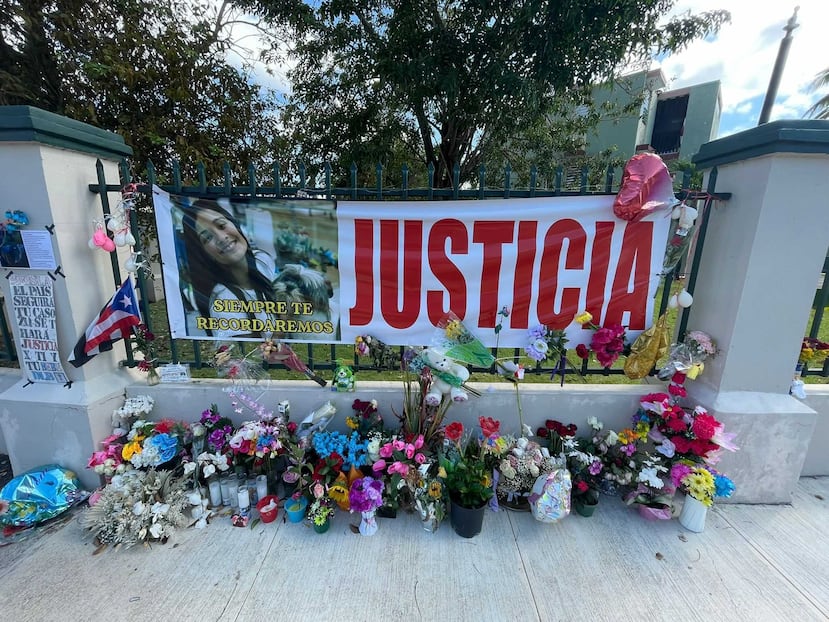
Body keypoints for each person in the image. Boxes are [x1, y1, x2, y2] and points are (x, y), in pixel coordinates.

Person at [180, 200, 279, 338]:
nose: (221, 238)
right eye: (207, 237)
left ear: (235, 224)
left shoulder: (263, 260)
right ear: (204, 253)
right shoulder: (223, 300)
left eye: (221, 225)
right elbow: (249, 357)